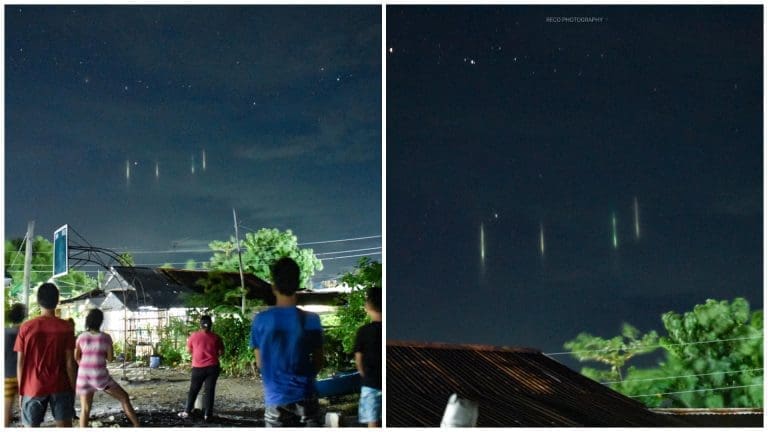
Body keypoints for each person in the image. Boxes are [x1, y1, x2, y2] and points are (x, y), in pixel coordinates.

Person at [250, 257, 324, 427]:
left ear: (273, 285)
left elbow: (260, 363)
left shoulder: (260, 321)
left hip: (275, 399)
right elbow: (319, 361)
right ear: (297, 283)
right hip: (307, 395)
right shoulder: (311, 319)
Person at [14, 282, 77, 427]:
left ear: (38, 301)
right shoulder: (66, 327)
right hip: (60, 385)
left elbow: (20, 363)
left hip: (32, 386)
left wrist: (21, 390)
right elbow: (69, 363)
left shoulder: (26, 327)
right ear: (57, 301)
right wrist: (74, 388)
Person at [75, 308, 140, 427]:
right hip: (99, 375)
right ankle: (137, 426)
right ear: (100, 321)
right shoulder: (105, 337)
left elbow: (77, 356)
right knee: (124, 398)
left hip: (83, 375)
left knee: (85, 409)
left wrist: (85, 366)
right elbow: (110, 359)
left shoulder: (81, 337)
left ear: (88, 321)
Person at [178, 315, 224, 422]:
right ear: (211, 325)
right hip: (213, 368)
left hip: (198, 368)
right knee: (209, 391)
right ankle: (207, 415)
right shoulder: (216, 337)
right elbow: (221, 352)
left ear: (200, 324)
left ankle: (187, 412)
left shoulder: (193, 336)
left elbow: (188, 350)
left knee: (193, 390)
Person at [353, 286, 382, 427]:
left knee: (373, 423)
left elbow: (359, 361)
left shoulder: (363, 331)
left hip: (371, 384)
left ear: (368, 305)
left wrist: (366, 377)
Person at [5, 303, 27, 427]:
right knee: (25, 408)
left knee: (6, 410)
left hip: (6, 376)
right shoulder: (25, 332)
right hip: (24, 377)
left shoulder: (4, 332)